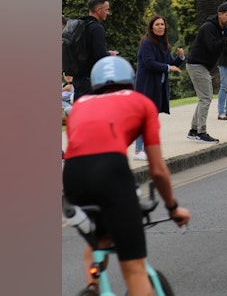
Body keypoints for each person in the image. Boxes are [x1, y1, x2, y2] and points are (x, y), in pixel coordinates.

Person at [63, 56, 191, 295]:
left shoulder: (80, 104)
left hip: (72, 177)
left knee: (99, 240)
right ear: (130, 81)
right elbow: (157, 170)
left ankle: (93, 287)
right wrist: (173, 208)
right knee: (134, 268)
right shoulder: (141, 102)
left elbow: (82, 150)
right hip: (111, 172)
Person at [186, 2, 227, 143]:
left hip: (204, 66)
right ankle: (201, 132)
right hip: (197, 64)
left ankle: (194, 130)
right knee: (206, 98)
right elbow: (214, 47)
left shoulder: (224, 28)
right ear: (219, 14)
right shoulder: (208, 27)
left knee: (204, 98)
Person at [132, 15, 186, 161]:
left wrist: (180, 58)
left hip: (158, 87)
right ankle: (138, 150)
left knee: (152, 121)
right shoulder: (146, 43)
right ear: (151, 28)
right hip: (146, 87)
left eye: (162, 24)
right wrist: (169, 67)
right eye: (157, 24)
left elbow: (170, 63)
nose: (161, 27)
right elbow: (150, 63)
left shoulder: (163, 44)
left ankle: (148, 150)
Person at [72, 0, 118, 100]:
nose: (108, 13)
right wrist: (109, 55)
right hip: (90, 80)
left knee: (79, 108)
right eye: (106, 10)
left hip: (77, 78)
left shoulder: (80, 24)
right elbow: (100, 55)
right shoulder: (96, 28)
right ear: (98, 10)